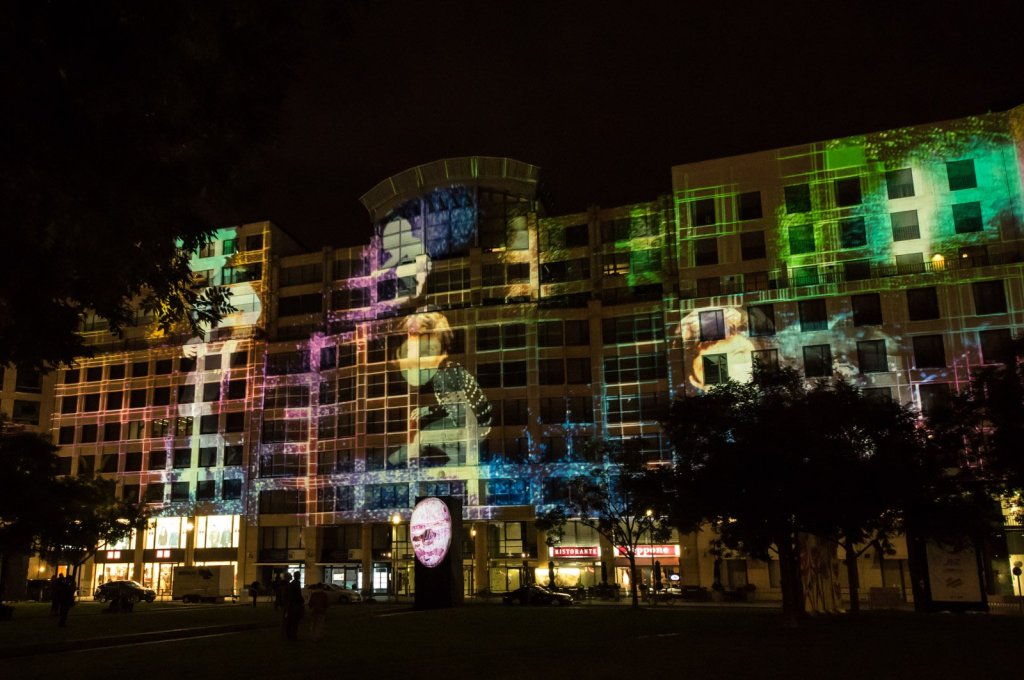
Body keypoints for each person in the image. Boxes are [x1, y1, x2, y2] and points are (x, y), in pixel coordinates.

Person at [283, 571, 304, 640]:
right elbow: (297, 594)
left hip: (291, 604)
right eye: (299, 575)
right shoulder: (296, 583)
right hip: (294, 604)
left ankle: (289, 634)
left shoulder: (291, 584)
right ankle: (292, 634)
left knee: (291, 620)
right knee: (294, 620)